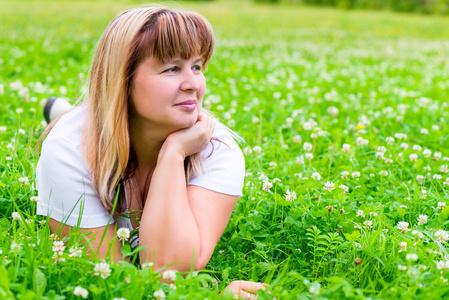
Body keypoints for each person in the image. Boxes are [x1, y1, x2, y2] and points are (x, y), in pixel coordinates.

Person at [36, 5, 267, 299]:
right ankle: (66, 114)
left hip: (118, 121)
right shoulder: (67, 149)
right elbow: (118, 279)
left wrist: (174, 152)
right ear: (123, 79)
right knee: (77, 130)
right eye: (172, 68)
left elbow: (169, 268)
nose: (193, 84)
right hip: (91, 131)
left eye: (196, 66)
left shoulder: (217, 150)